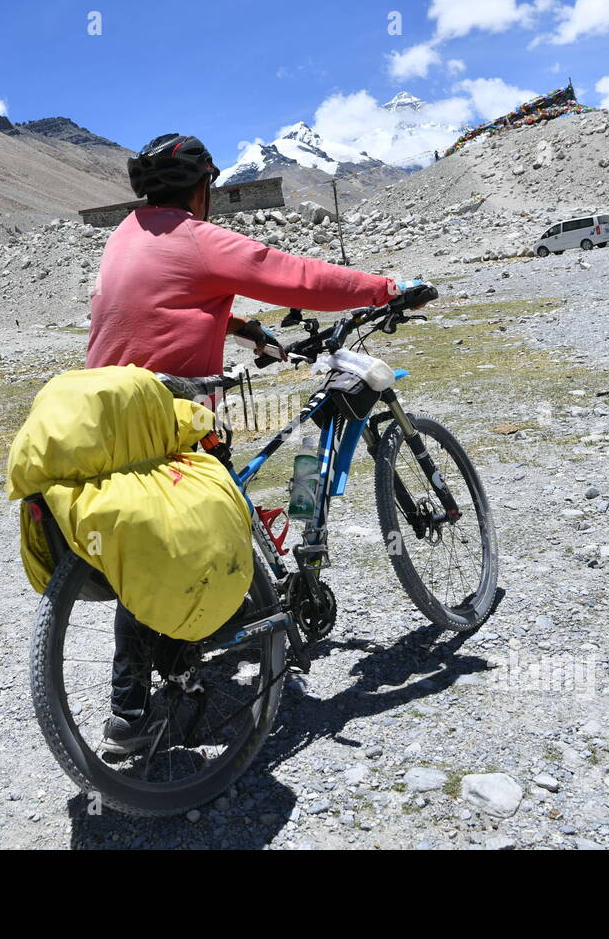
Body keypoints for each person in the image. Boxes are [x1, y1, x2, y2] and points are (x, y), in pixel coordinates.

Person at [86, 132, 414, 754]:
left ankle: (137, 703)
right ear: (202, 188)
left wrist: (238, 327)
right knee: (200, 534)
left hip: (107, 411)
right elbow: (291, 276)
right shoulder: (198, 236)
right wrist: (384, 288)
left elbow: (158, 299)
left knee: (146, 543)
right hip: (169, 413)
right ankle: (193, 662)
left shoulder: (126, 236)